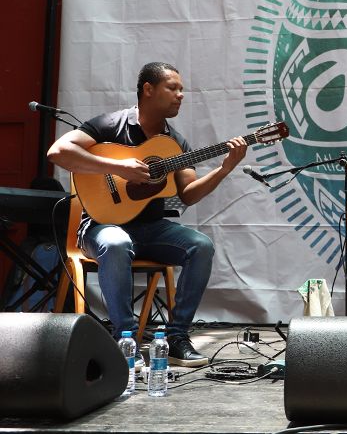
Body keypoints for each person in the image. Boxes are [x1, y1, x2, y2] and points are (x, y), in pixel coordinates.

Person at [47, 62, 247, 367]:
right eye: (173, 88)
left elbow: (189, 193)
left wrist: (225, 168)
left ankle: (177, 337)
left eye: (182, 89)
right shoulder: (109, 125)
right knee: (115, 243)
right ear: (148, 90)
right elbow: (58, 153)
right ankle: (124, 339)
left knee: (200, 245)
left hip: (151, 229)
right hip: (102, 224)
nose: (180, 95)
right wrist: (117, 166)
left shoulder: (175, 144)